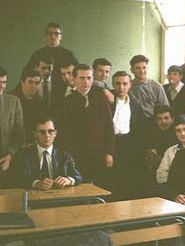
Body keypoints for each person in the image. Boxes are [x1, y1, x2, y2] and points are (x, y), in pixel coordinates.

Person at [61, 64, 115, 188]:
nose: (86, 82)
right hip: (77, 156)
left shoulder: (101, 98)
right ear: (74, 79)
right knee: (80, 189)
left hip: (100, 154)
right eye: (82, 78)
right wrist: (69, 156)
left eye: (89, 78)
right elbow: (64, 133)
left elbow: (109, 126)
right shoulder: (67, 102)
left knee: (103, 189)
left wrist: (109, 152)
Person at [18, 117, 83, 190]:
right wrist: (36, 183)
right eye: (42, 132)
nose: (47, 135)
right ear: (35, 134)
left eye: (50, 131)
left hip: (60, 197)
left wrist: (68, 180)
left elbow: (78, 176)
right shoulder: (25, 154)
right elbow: (18, 179)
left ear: (55, 133)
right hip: (33, 198)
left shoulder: (63, 154)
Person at [111, 71, 144, 199]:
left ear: (130, 85)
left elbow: (138, 128)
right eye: (118, 84)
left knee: (126, 180)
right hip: (111, 143)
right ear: (113, 85)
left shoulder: (135, 104)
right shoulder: (108, 100)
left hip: (128, 145)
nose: (121, 87)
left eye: (125, 84)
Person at [27, 22, 78, 100]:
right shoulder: (37, 54)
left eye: (56, 34)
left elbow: (77, 74)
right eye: (50, 33)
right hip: (40, 93)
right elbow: (27, 74)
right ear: (46, 36)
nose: (53, 36)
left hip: (62, 94)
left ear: (61, 37)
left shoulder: (68, 54)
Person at [9, 68, 48, 146]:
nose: (34, 86)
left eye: (37, 83)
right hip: (12, 142)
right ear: (22, 83)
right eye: (30, 82)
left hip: (33, 143)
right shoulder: (11, 99)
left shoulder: (40, 102)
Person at [129, 55, 169, 121]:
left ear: (148, 68)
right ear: (132, 70)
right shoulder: (127, 87)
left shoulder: (157, 87)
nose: (142, 71)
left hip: (153, 122)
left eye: (144, 67)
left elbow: (165, 109)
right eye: (138, 68)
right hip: (133, 123)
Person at [156, 115, 185, 185]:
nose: (182, 133)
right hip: (174, 188)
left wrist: (171, 173)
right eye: (178, 130)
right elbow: (159, 176)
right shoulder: (170, 151)